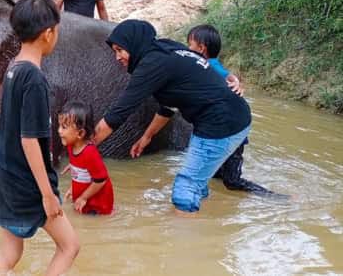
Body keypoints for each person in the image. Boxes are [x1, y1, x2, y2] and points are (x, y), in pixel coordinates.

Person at [93, 19, 252, 215]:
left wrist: (84, 149)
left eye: (120, 50)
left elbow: (118, 113)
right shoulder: (167, 49)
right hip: (232, 117)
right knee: (198, 183)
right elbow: (170, 104)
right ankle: (211, 223)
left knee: (184, 191)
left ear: (134, 43)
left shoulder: (151, 64)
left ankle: (183, 243)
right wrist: (147, 137)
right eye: (114, 51)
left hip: (221, 123)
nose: (117, 57)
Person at [0, 0, 79, 275]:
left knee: (10, 254)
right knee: (70, 246)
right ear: (47, 33)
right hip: (27, 183)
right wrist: (47, 195)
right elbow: (29, 140)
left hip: (4, 176)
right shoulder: (35, 80)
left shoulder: (14, 69)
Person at [187, 24, 283, 197]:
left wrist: (235, 80)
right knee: (215, 174)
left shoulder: (209, 66)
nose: (188, 49)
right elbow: (228, 76)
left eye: (190, 45)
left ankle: (275, 197)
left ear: (201, 48)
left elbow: (227, 77)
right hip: (223, 131)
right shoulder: (210, 65)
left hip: (231, 135)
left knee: (232, 182)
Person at [59, 101, 114, 215]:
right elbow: (82, 168)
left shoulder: (89, 152)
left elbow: (101, 180)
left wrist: (83, 198)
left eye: (64, 127)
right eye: (59, 126)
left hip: (98, 203)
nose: (59, 131)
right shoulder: (71, 145)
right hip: (86, 198)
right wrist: (73, 168)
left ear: (80, 133)